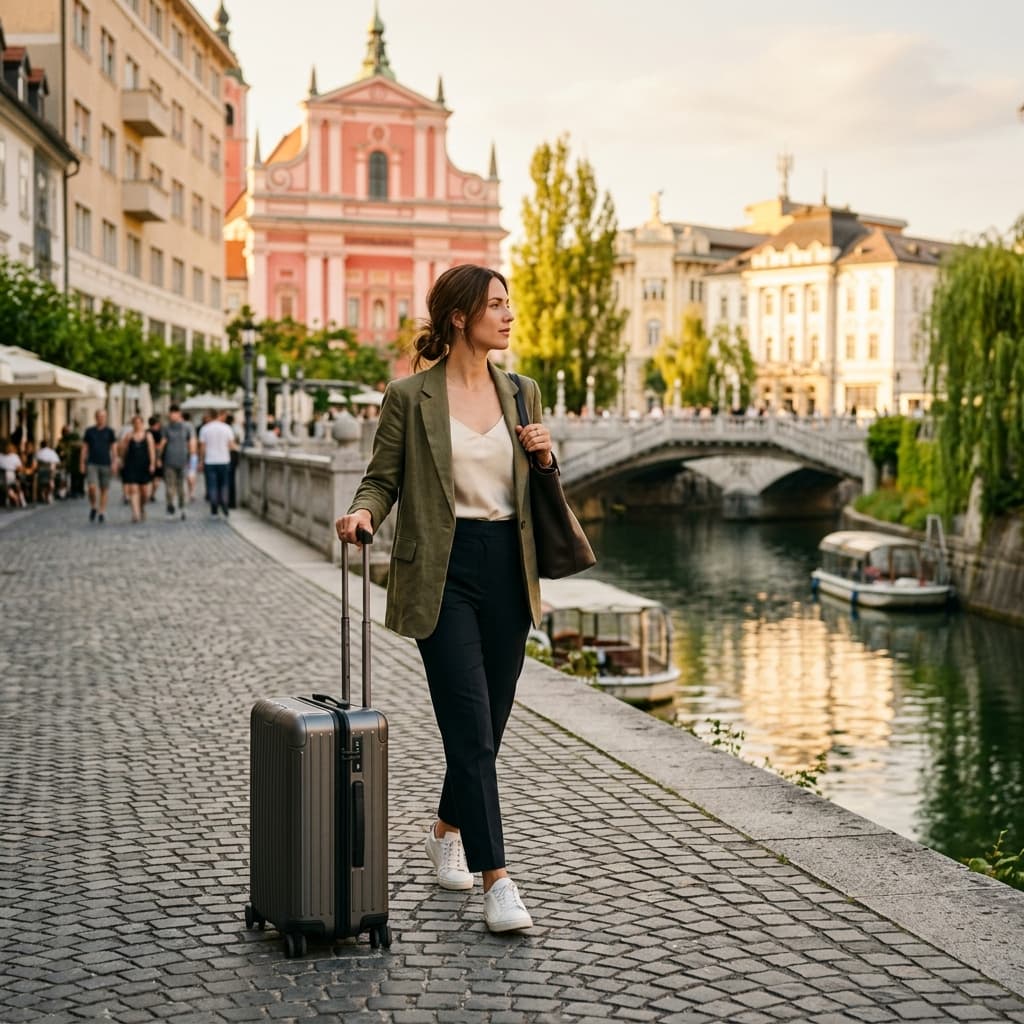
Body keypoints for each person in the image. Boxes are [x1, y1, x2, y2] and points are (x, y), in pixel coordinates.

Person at [334, 265, 554, 934]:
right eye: (495, 305)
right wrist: (360, 514)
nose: (508, 315)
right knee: (471, 727)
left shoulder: (523, 392)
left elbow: (536, 494)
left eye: (509, 304)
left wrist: (545, 459)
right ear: (459, 317)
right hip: (443, 571)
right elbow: (381, 479)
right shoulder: (409, 395)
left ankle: (443, 829)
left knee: (491, 722)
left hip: (509, 569)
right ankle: (498, 880)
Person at [81, 409, 119, 523]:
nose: (101, 418)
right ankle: (93, 506)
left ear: (106, 418)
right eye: (99, 416)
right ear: (95, 417)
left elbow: (114, 448)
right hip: (92, 462)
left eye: (103, 416)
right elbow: (84, 448)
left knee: (104, 489)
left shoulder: (110, 432)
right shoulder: (89, 431)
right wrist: (82, 463)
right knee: (91, 487)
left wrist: (114, 462)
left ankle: (102, 511)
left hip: (105, 462)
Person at [198, 409, 236, 517]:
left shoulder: (204, 429)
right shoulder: (226, 428)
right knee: (224, 485)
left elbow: (202, 447)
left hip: (210, 461)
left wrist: (201, 460)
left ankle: (214, 509)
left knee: (212, 485)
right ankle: (224, 506)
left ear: (210, 417)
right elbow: (231, 445)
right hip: (224, 460)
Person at [119, 414, 156, 523]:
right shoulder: (129, 436)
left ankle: (141, 507)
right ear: (133, 424)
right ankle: (135, 514)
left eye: (139, 423)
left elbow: (152, 451)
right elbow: (122, 451)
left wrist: (152, 464)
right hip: (131, 465)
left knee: (145, 493)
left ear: (142, 424)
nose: (137, 425)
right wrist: (121, 459)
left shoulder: (148, 436)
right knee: (133, 490)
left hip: (144, 466)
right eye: (135, 423)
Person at [161, 404, 195, 519]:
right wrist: (158, 458)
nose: (171, 416)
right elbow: (163, 443)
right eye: (170, 413)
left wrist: (192, 458)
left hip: (183, 460)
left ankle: (182, 508)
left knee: (181, 486)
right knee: (169, 487)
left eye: (173, 413)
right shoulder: (166, 427)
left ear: (179, 414)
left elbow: (192, 442)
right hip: (169, 460)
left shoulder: (187, 426)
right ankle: (170, 507)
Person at [0, 441, 26, 508]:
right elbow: (20, 469)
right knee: (16, 483)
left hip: (5, 479)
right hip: (9, 478)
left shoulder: (12, 456)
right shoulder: (13, 456)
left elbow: (20, 469)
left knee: (9, 485)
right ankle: (19, 499)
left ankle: (15, 497)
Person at [147, 415, 164, 505]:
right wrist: (158, 459)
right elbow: (158, 447)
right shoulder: (158, 433)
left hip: (146, 458)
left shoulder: (146, 432)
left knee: (150, 478)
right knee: (156, 478)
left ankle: (150, 493)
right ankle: (152, 494)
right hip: (155, 458)